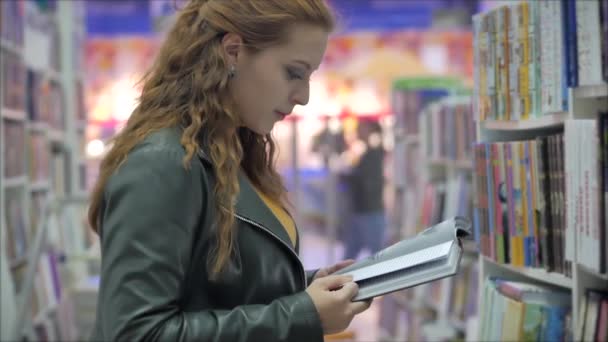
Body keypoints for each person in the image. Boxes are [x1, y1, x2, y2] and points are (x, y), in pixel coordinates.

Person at [87, 1, 371, 341]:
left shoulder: (230, 152)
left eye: (309, 76)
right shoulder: (162, 163)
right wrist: (302, 314)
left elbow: (217, 288)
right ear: (233, 51)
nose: (304, 96)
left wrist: (305, 286)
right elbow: (137, 334)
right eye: (294, 72)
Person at [342, 120, 387, 260]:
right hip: (362, 211)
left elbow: (367, 182)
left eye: (362, 128)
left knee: (376, 255)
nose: (358, 132)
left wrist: (350, 176)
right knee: (350, 254)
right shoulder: (368, 154)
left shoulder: (375, 154)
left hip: (370, 211)